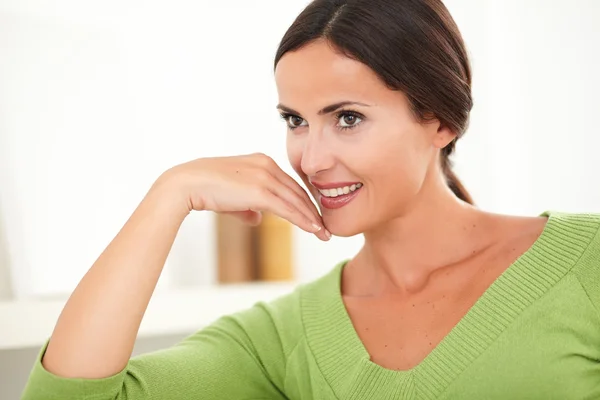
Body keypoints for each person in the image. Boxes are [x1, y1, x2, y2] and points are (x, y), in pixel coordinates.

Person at [21, 0, 600, 399]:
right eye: (295, 120)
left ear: (440, 120)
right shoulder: (285, 338)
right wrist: (168, 195)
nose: (311, 158)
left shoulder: (587, 261)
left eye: (347, 118)